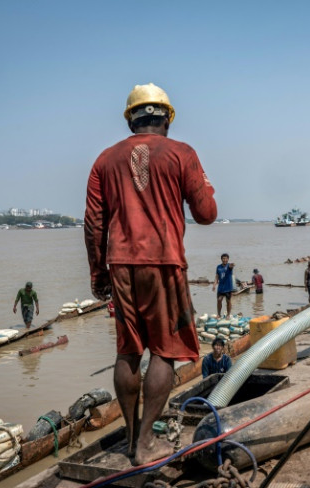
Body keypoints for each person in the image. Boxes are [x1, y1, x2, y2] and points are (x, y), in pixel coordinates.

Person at [84, 83, 217, 465]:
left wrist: (99, 274)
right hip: (164, 262)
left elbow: (94, 223)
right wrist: (205, 185)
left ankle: (129, 439)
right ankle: (145, 444)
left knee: (127, 350)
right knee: (164, 351)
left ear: (132, 120)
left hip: (120, 264)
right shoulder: (181, 153)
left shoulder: (104, 160)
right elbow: (206, 213)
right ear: (167, 119)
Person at [213, 253, 235, 317]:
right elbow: (217, 277)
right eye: (223, 258)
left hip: (228, 288)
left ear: (228, 259)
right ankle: (219, 314)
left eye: (226, 258)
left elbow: (231, 266)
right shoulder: (218, 267)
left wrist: (232, 265)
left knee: (228, 302)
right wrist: (214, 285)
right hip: (221, 288)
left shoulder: (229, 266)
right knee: (219, 300)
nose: (224, 260)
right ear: (221, 259)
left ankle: (228, 315)